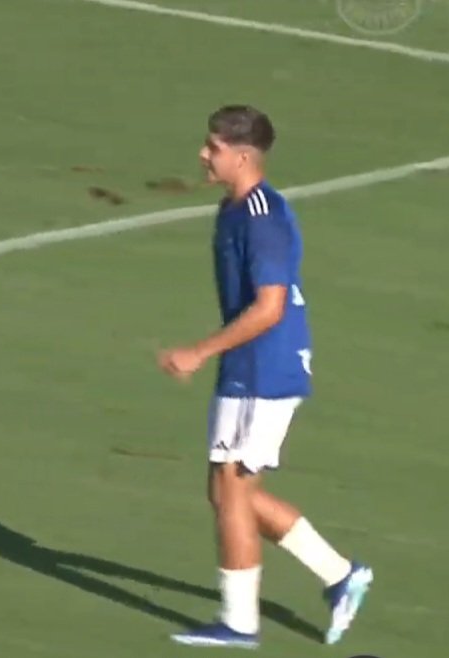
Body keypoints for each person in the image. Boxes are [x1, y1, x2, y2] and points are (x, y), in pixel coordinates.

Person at [158, 105, 373, 648]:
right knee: (228, 491)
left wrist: (200, 352)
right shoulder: (233, 209)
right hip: (249, 364)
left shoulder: (261, 216)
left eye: (214, 147)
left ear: (244, 155)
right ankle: (341, 576)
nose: (204, 155)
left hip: (264, 367)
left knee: (231, 488)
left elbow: (270, 307)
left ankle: (239, 624)